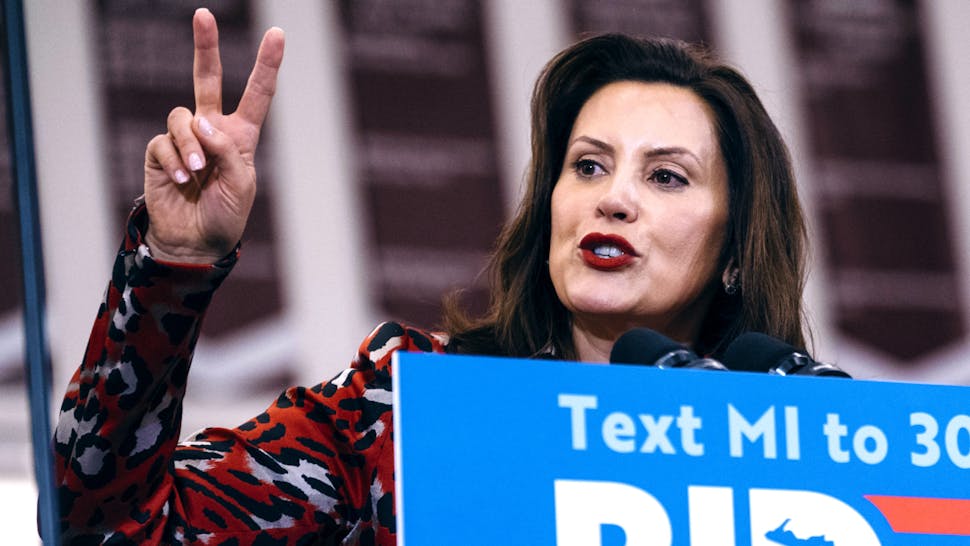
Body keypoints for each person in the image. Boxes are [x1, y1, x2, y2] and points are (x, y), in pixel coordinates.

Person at [54, 7, 808, 545]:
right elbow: (111, 526)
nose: (612, 197)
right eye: (588, 165)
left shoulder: (804, 446)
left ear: (736, 244)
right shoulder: (408, 407)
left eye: (667, 177)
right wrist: (173, 265)